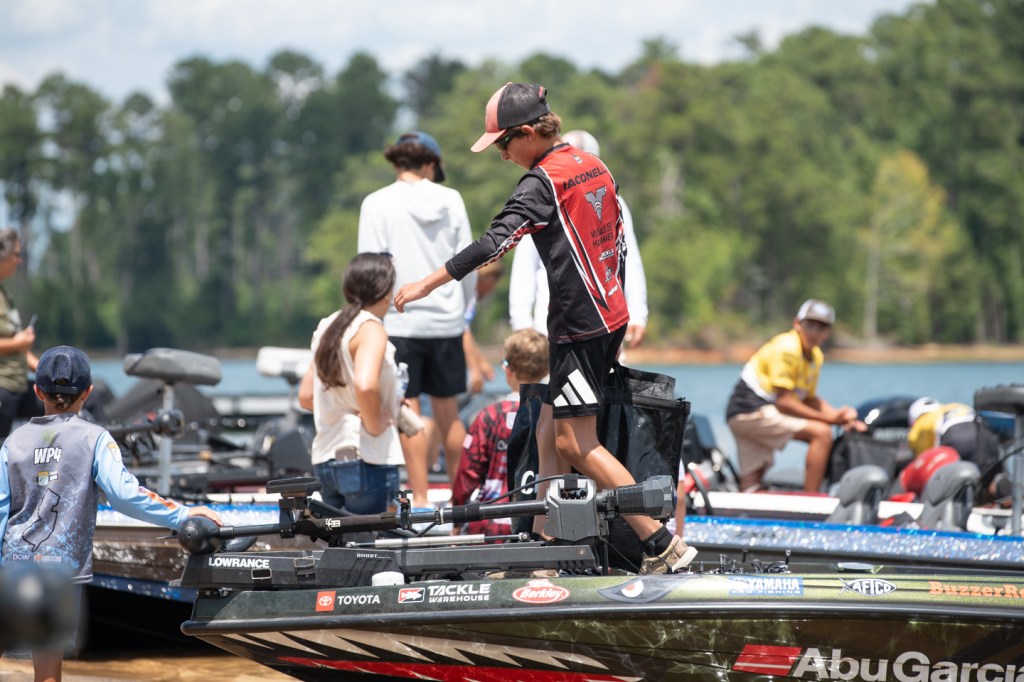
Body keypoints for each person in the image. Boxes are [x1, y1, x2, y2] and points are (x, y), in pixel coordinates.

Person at [394, 82, 696, 574]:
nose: (503, 156)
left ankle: (662, 544)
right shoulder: (592, 164)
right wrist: (617, 306)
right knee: (546, 429)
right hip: (607, 316)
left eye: (503, 144)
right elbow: (618, 243)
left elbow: (494, 243)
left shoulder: (542, 183)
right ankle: (544, 546)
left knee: (577, 443)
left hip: (579, 327)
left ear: (528, 133)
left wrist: (427, 283)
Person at [0, 345, 222, 682]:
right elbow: (124, 495)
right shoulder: (95, 439)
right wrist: (182, 514)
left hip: (13, 562)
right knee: (47, 673)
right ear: (87, 392)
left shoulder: (13, 442)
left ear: (37, 391)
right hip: (57, 568)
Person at [357, 131, 477, 504]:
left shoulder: (376, 203)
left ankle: (421, 498)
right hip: (447, 320)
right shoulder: (451, 199)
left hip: (399, 319)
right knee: (448, 413)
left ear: (397, 162)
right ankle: (460, 503)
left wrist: (371, 319)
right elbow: (468, 261)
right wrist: (463, 311)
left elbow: (370, 266)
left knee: (408, 409)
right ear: (429, 164)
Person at [508, 130, 649, 350]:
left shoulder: (613, 199)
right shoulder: (544, 200)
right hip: (551, 332)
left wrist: (638, 313)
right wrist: (522, 324)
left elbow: (628, 258)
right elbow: (525, 267)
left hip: (606, 325)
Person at [298, 253, 408, 515]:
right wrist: (374, 422)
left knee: (337, 539)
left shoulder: (328, 327)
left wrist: (346, 407)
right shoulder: (371, 328)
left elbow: (306, 396)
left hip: (326, 458)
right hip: (367, 456)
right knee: (377, 539)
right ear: (386, 292)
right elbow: (365, 385)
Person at [726, 299, 867, 493]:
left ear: (828, 332)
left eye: (821, 328)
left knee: (752, 486)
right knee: (821, 433)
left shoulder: (815, 356)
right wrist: (830, 419)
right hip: (750, 412)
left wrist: (844, 419)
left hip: (751, 413)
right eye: (810, 325)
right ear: (797, 324)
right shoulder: (788, 348)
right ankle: (811, 500)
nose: (815, 332)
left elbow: (808, 399)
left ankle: (743, 508)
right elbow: (784, 402)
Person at [451, 328, 548, 537]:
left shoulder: (489, 416)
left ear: (508, 369)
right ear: (546, 371)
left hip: (492, 520)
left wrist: (457, 518)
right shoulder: (550, 415)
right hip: (539, 518)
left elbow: (468, 474)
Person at [906, 396, 1004, 496]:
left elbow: (922, 461)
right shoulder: (952, 407)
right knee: (987, 481)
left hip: (956, 437)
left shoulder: (921, 422)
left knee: (948, 484)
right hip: (987, 436)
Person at [0, 228, 43, 438]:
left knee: (65, 399)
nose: (19, 261)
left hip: (18, 388)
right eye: (16, 255)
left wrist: (48, 371)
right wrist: (18, 343)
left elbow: (19, 347)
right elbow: (16, 344)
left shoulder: (4, 295)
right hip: (3, 389)